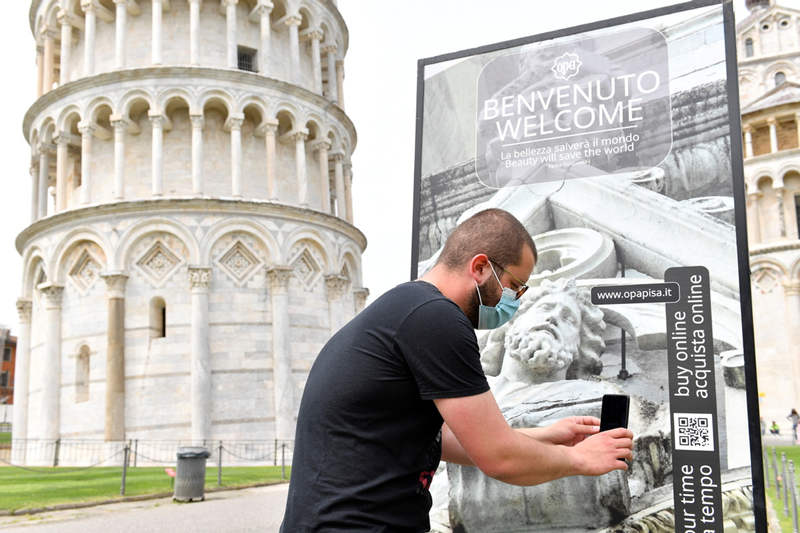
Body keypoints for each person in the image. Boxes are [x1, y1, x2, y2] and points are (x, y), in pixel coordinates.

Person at [279, 208, 634, 532]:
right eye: (514, 286)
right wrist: (579, 458)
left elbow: (448, 440)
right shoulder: (436, 318)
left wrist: (545, 435)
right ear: (480, 267)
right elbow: (499, 457)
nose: (515, 301)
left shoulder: (407, 310)